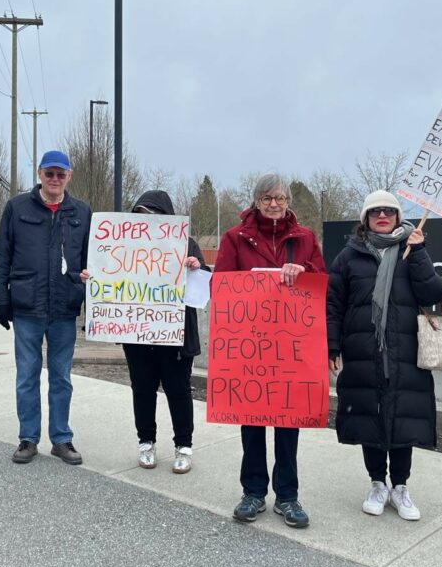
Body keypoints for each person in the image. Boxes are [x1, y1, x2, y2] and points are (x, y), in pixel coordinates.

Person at [326, 190, 442, 521]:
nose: (383, 216)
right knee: (370, 413)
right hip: (364, 350)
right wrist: (332, 347)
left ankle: (401, 487)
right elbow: (334, 304)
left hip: (406, 351)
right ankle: (377, 483)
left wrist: (420, 252)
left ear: (397, 216)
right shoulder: (349, 256)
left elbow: (434, 293)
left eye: (389, 211)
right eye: (375, 211)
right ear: (365, 219)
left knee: (403, 414)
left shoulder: (412, 250)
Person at [214, 173, 325, 529]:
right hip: (250, 347)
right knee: (252, 422)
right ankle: (253, 492)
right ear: (256, 201)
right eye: (267, 198)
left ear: (287, 201)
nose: (274, 204)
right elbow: (221, 287)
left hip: (292, 347)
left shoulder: (305, 239)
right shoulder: (235, 238)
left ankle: (288, 496)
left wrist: (302, 270)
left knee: (288, 423)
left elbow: (322, 282)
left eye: (279, 198)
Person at [0, 150, 92, 465]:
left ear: (69, 176)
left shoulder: (82, 212)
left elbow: (94, 260)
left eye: (60, 174)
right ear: (39, 173)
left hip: (64, 305)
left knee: (61, 375)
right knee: (27, 374)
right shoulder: (16, 207)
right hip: (27, 305)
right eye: (49, 173)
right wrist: (0, 299)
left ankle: (61, 439)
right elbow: (3, 255)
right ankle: (28, 438)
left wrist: (94, 302)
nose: (54, 179)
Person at [121, 190, 209, 474]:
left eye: (155, 216)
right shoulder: (126, 245)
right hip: (139, 335)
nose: (149, 222)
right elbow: (111, 276)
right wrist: (94, 277)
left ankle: (183, 445)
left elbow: (203, 287)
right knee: (143, 391)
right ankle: (146, 442)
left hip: (176, 336)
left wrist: (197, 267)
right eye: (142, 216)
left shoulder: (187, 244)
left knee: (178, 391)